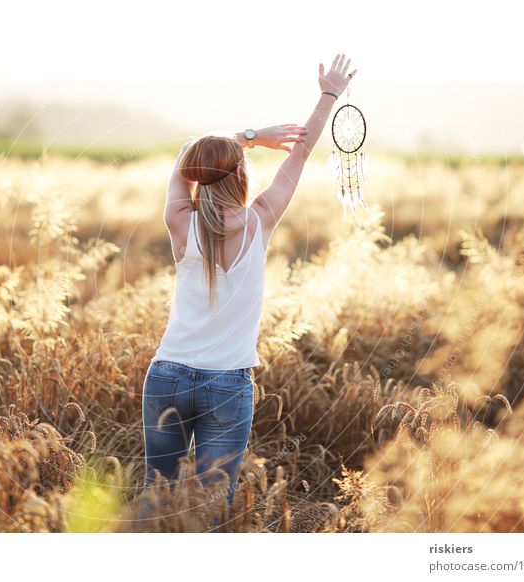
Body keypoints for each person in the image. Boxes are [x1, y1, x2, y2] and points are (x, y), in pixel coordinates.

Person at [140, 54, 357, 524]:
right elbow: (299, 154)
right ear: (241, 178)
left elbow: (186, 156)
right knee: (214, 509)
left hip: (167, 376)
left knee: (155, 500)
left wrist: (250, 138)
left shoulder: (180, 222)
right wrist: (329, 94)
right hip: (227, 385)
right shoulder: (260, 221)